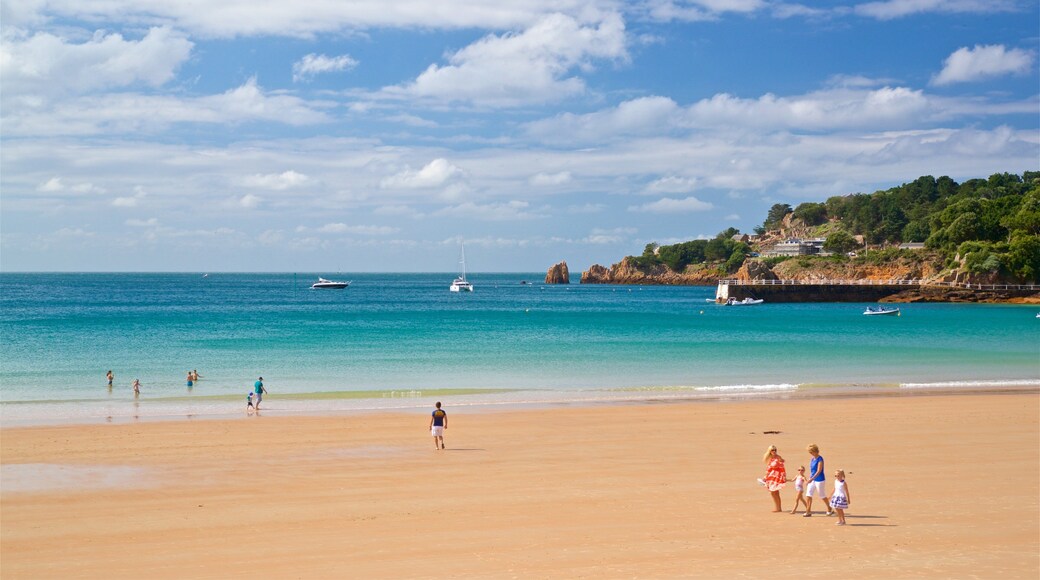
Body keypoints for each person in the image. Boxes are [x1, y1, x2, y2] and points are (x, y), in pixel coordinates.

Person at [804, 443, 834, 517]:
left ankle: (829, 508)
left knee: (822, 495)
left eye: (811, 452)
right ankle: (808, 511)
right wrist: (810, 478)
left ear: (815, 451)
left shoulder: (820, 459)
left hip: (819, 479)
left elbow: (819, 470)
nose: (810, 453)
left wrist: (811, 479)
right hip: (812, 479)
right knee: (808, 494)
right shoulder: (812, 459)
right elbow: (812, 470)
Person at [761, 445, 787, 512]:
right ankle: (777, 507)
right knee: (773, 493)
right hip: (771, 476)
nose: (774, 451)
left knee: (775, 492)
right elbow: (768, 469)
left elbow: (782, 467)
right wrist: (765, 477)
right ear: (770, 451)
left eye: (775, 450)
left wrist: (783, 476)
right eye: (772, 450)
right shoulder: (770, 458)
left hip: (777, 477)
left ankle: (778, 508)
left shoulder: (778, 457)